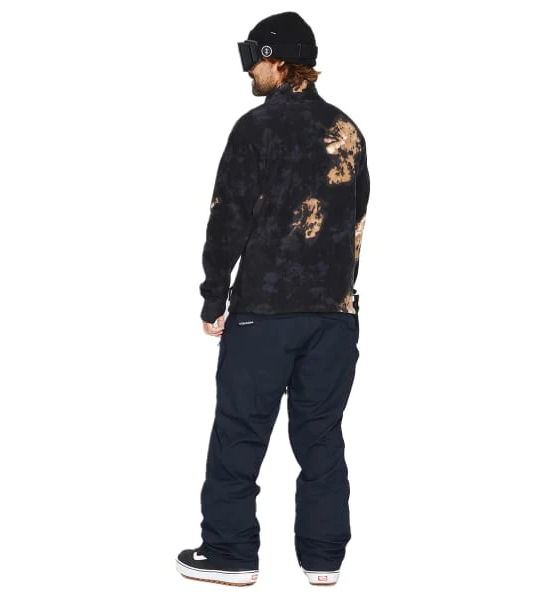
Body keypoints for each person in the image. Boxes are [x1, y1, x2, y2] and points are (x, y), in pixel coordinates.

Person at [176, 11, 370, 587]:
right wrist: (339, 295)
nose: (248, 71)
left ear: (278, 62)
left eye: (253, 59)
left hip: (263, 313)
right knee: (321, 436)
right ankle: (323, 559)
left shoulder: (255, 129)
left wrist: (213, 297)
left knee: (239, 432)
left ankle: (230, 553)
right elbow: (355, 221)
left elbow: (227, 220)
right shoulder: (348, 131)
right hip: (334, 316)